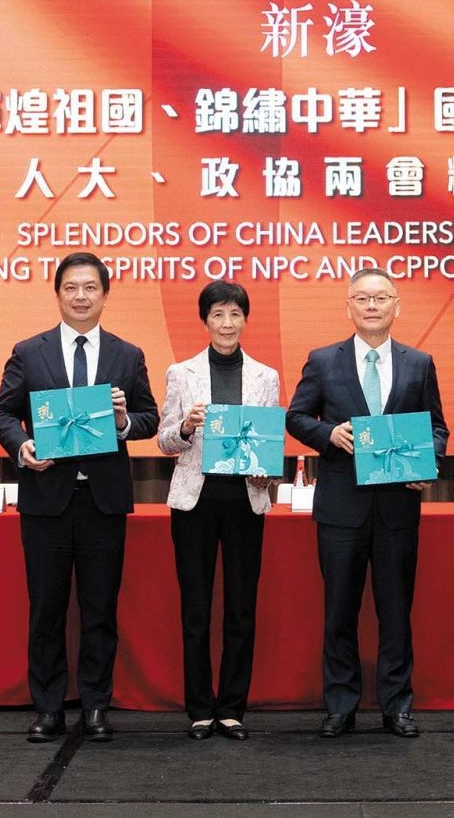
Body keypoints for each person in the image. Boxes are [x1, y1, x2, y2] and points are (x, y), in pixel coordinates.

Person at [0, 252, 159, 744]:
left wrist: (124, 420)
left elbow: (148, 419)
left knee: (100, 610)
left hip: (103, 501)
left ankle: (96, 706)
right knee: (47, 609)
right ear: (58, 294)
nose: (80, 296)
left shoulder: (128, 355)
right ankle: (48, 708)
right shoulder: (29, 351)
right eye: (71, 288)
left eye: (90, 288)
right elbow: (2, 414)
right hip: (46, 500)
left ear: (105, 295)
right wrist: (22, 446)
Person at [286, 267, 448, 739]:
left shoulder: (419, 363)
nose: (372, 306)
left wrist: (428, 463)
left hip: (398, 507)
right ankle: (340, 704)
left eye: (381, 298)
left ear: (397, 306)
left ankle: (397, 705)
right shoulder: (323, 360)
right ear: (349, 307)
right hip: (341, 508)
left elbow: (437, 428)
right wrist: (328, 434)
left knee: (396, 612)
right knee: (339, 610)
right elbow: (296, 417)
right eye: (362, 298)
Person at [156, 281, 280, 741]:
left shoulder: (265, 376)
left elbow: (268, 442)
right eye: (218, 315)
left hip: (245, 501)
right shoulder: (181, 372)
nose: (227, 324)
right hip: (195, 501)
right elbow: (164, 440)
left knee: (241, 608)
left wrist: (266, 471)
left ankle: (232, 708)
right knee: (196, 607)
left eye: (235, 314)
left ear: (245, 319)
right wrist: (186, 428)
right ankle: (199, 708)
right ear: (205, 320)